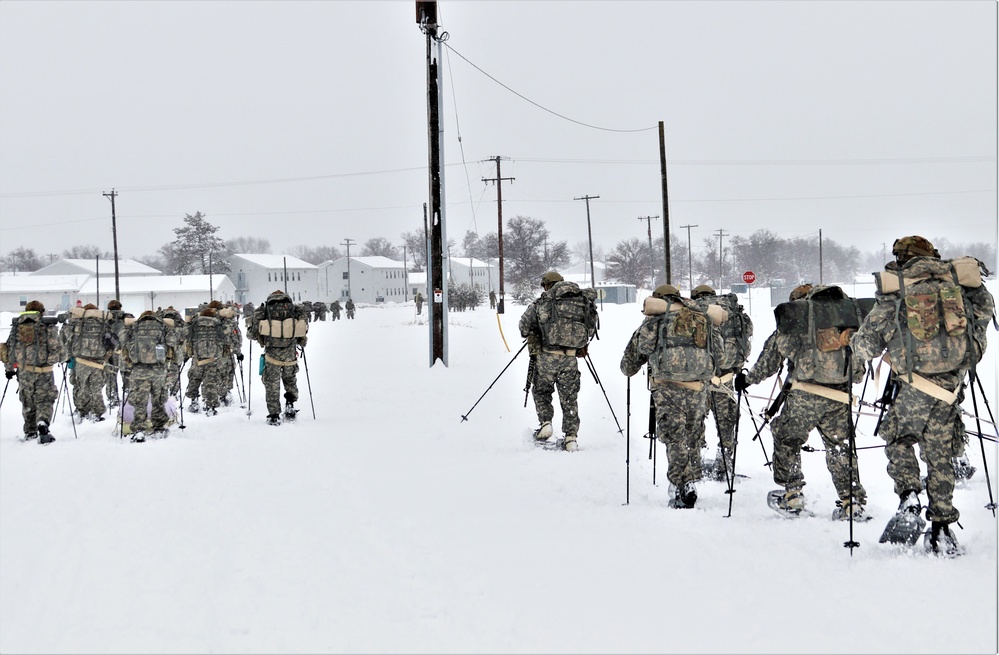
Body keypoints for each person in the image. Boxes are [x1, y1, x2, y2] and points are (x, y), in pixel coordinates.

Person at [850, 236, 994, 555]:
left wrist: (861, 344)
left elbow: (866, 346)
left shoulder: (896, 290)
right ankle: (941, 528)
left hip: (913, 386)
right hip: (949, 389)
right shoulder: (960, 286)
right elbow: (979, 334)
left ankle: (910, 497)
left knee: (898, 439)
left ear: (903, 259)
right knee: (940, 454)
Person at [735, 284, 870, 521]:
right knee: (839, 447)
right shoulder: (848, 320)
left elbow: (769, 361)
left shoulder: (797, 322)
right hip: (839, 397)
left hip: (804, 395)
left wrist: (747, 379)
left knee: (787, 439)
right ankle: (852, 502)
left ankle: (793, 493)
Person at [621, 284, 723, 508]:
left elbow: (631, 361)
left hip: (668, 388)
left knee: (675, 438)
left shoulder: (655, 322)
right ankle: (692, 479)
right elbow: (720, 355)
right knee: (693, 434)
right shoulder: (702, 319)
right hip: (697, 388)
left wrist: (632, 366)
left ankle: (682, 484)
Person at [519, 271, 598, 452]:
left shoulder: (543, 302)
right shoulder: (581, 301)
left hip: (546, 355)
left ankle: (546, 423)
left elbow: (524, 327)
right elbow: (591, 327)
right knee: (569, 397)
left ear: (547, 285)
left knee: (541, 390)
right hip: (570, 358)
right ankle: (571, 437)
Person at [691, 284, 754, 481]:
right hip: (725, 377)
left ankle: (695, 462)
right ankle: (724, 462)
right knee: (727, 421)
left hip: (698, 378)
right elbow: (748, 331)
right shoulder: (731, 310)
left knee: (695, 419)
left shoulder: (692, 310)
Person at [2, 300, 65, 444]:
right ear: (41, 312)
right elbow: (59, 350)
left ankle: (30, 431)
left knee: (27, 400)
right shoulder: (47, 327)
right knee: (45, 399)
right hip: (45, 371)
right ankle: (43, 422)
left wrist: (9, 369)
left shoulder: (17, 327)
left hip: (24, 372)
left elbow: (9, 350)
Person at [247, 290, 309, 425]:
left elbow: (252, 334)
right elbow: (303, 329)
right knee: (290, 380)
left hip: (272, 356)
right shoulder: (294, 309)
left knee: (272, 385)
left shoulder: (264, 310)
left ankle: (274, 415)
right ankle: (290, 404)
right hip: (290, 355)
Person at [120, 310, 177, 441]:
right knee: (158, 400)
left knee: (140, 401)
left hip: (139, 370)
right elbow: (172, 343)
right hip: (158, 370)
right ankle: (159, 427)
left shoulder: (135, 326)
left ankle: (139, 429)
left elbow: (122, 341)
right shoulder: (162, 326)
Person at [63, 302, 115, 422]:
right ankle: (99, 412)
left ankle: (83, 411)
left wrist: (68, 356)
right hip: (98, 360)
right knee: (96, 388)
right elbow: (110, 342)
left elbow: (69, 339)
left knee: (82, 387)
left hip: (81, 360)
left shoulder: (78, 323)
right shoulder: (103, 324)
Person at [185, 307, 225, 416]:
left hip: (197, 357)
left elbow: (188, 337)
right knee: (210, 382)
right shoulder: (217, 324)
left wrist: (187, 353)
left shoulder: (195, 323)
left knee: (194, 379)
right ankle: (210, 406)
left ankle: (194, 402)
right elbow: (223, 338)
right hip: (212, 358)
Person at [104, 299, 127, 408]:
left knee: (111, 376)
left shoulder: (105, 319)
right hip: (123, 351)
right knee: (126, 374)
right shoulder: (126, 318)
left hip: (110, 351)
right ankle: (127, 395)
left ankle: (113, 398)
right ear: (120, 307)